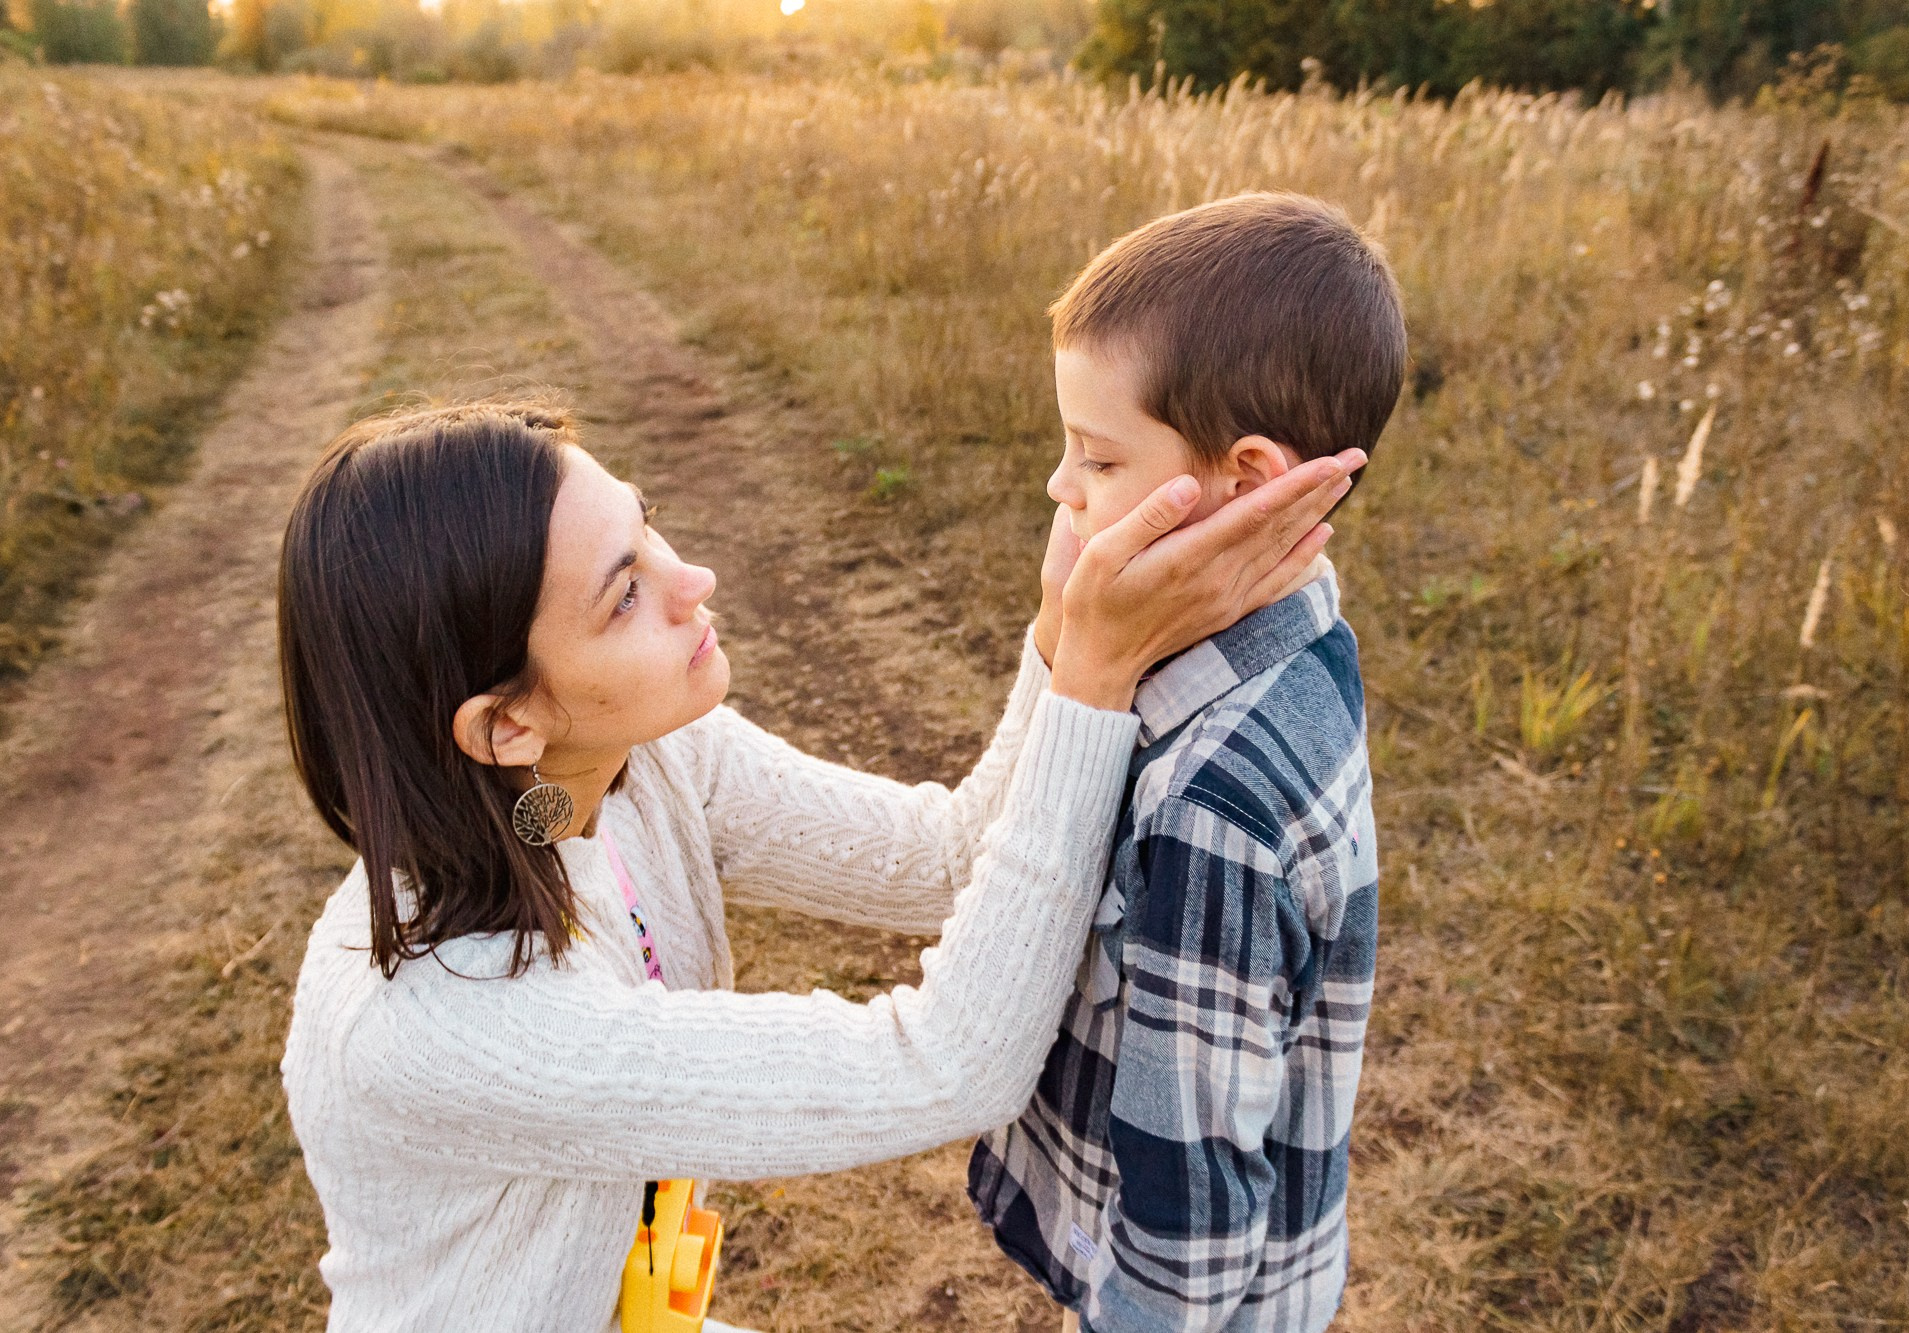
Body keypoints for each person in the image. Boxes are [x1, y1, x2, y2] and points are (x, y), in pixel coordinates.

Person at [274, 395, 1361, 1332]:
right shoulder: (443, 1019)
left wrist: (1058, 620)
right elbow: (946, 1066)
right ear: (506, 725)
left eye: (645, 525)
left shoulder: (630, 768)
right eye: (623, 595)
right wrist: (1095, 677)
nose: (689, 578)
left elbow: (940, 857)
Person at [967, 192, 1406, 1332]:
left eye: (1097, 459)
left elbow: (1191, 1224)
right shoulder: (1291, 615)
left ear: (1248, 484)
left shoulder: (1213, 810)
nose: (1059, 487)